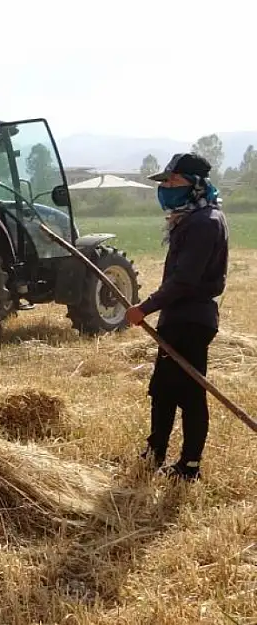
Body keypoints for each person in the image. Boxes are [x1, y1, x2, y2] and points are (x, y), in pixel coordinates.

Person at [125, 153, 228, 481]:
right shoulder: (193, 219)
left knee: (190, 392)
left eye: (173, 180)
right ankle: (155, 453)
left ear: (196, 184)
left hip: (191, 320)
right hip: (181, 317)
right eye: (165, 181)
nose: (166, 187)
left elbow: (184, 280)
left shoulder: (204, 223)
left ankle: (189, 465)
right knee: (164, 389)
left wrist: (144, 308)